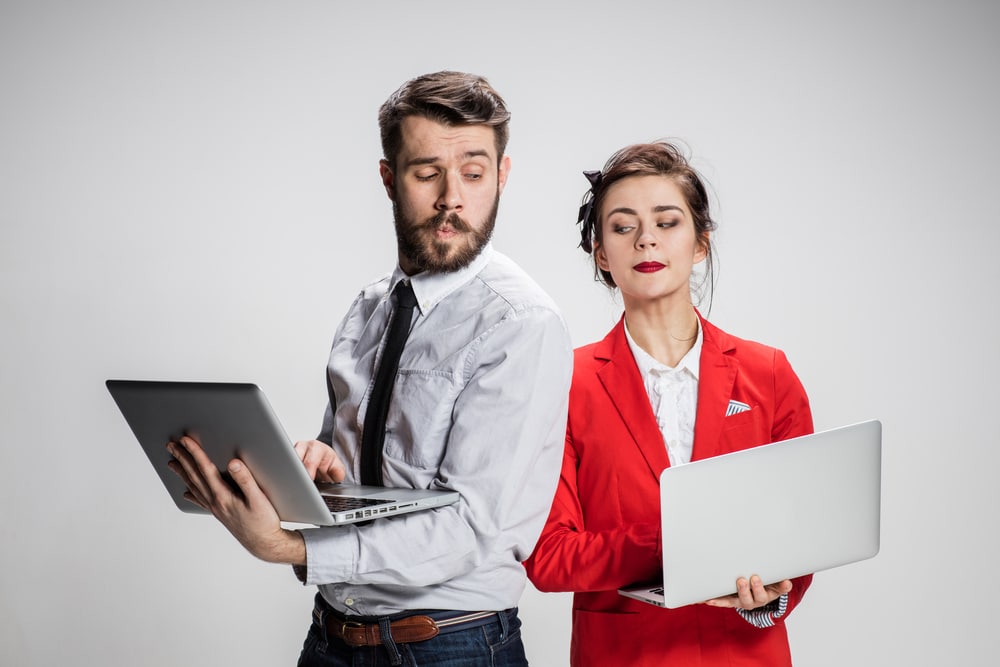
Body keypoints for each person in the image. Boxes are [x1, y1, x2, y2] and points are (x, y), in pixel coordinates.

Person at [166, 71, 573, 667]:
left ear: (502, 176)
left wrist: (290, 547)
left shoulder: (521, 323)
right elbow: (354, 472)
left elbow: (471, 528)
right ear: (389, 178)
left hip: (451, 647)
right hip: (333, 637)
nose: (451, 198)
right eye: (427, 173)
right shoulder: (369, 307)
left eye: (474, 173)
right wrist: (314, 470)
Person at [523, 141, 814, 666]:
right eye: (623, 226)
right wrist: (672, 541)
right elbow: (548, 556)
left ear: (700, 242)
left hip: (744, 654)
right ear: (601, 254)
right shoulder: (565, 383)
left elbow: (804, 532)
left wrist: (770, 597)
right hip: (626, 655)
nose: (646, 239)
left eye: (667, 222)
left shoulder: (768, 373)